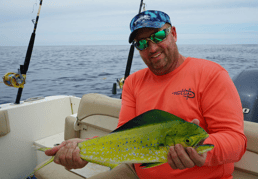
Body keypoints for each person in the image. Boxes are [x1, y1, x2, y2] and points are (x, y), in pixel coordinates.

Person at [45, 10, 247, 179]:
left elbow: (236, 142)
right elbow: (124, 139)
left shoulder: (211, 75)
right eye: (141, 43)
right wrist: (87, 150)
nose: (152, 48)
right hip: (139, 172)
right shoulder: (133, 82)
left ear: (173, 33)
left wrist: (204, 151)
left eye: (158, 37)